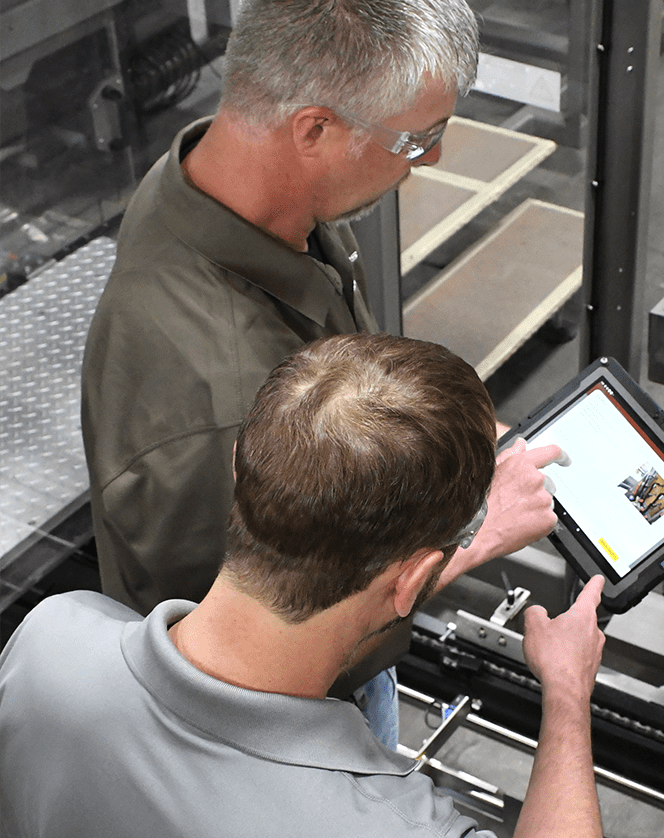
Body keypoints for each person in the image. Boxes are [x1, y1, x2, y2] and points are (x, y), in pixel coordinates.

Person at [80, 0, 559, 727]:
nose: (429, 158)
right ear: (314, 128)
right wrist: (478, 533)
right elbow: (251, 667)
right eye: (418, 137)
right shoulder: (223, 407)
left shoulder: (213, 183)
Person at [2, 334, 606, 838]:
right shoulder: (392, 825)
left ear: (240, 465)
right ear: (416, 576)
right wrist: (567, 692)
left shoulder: (50, 639)